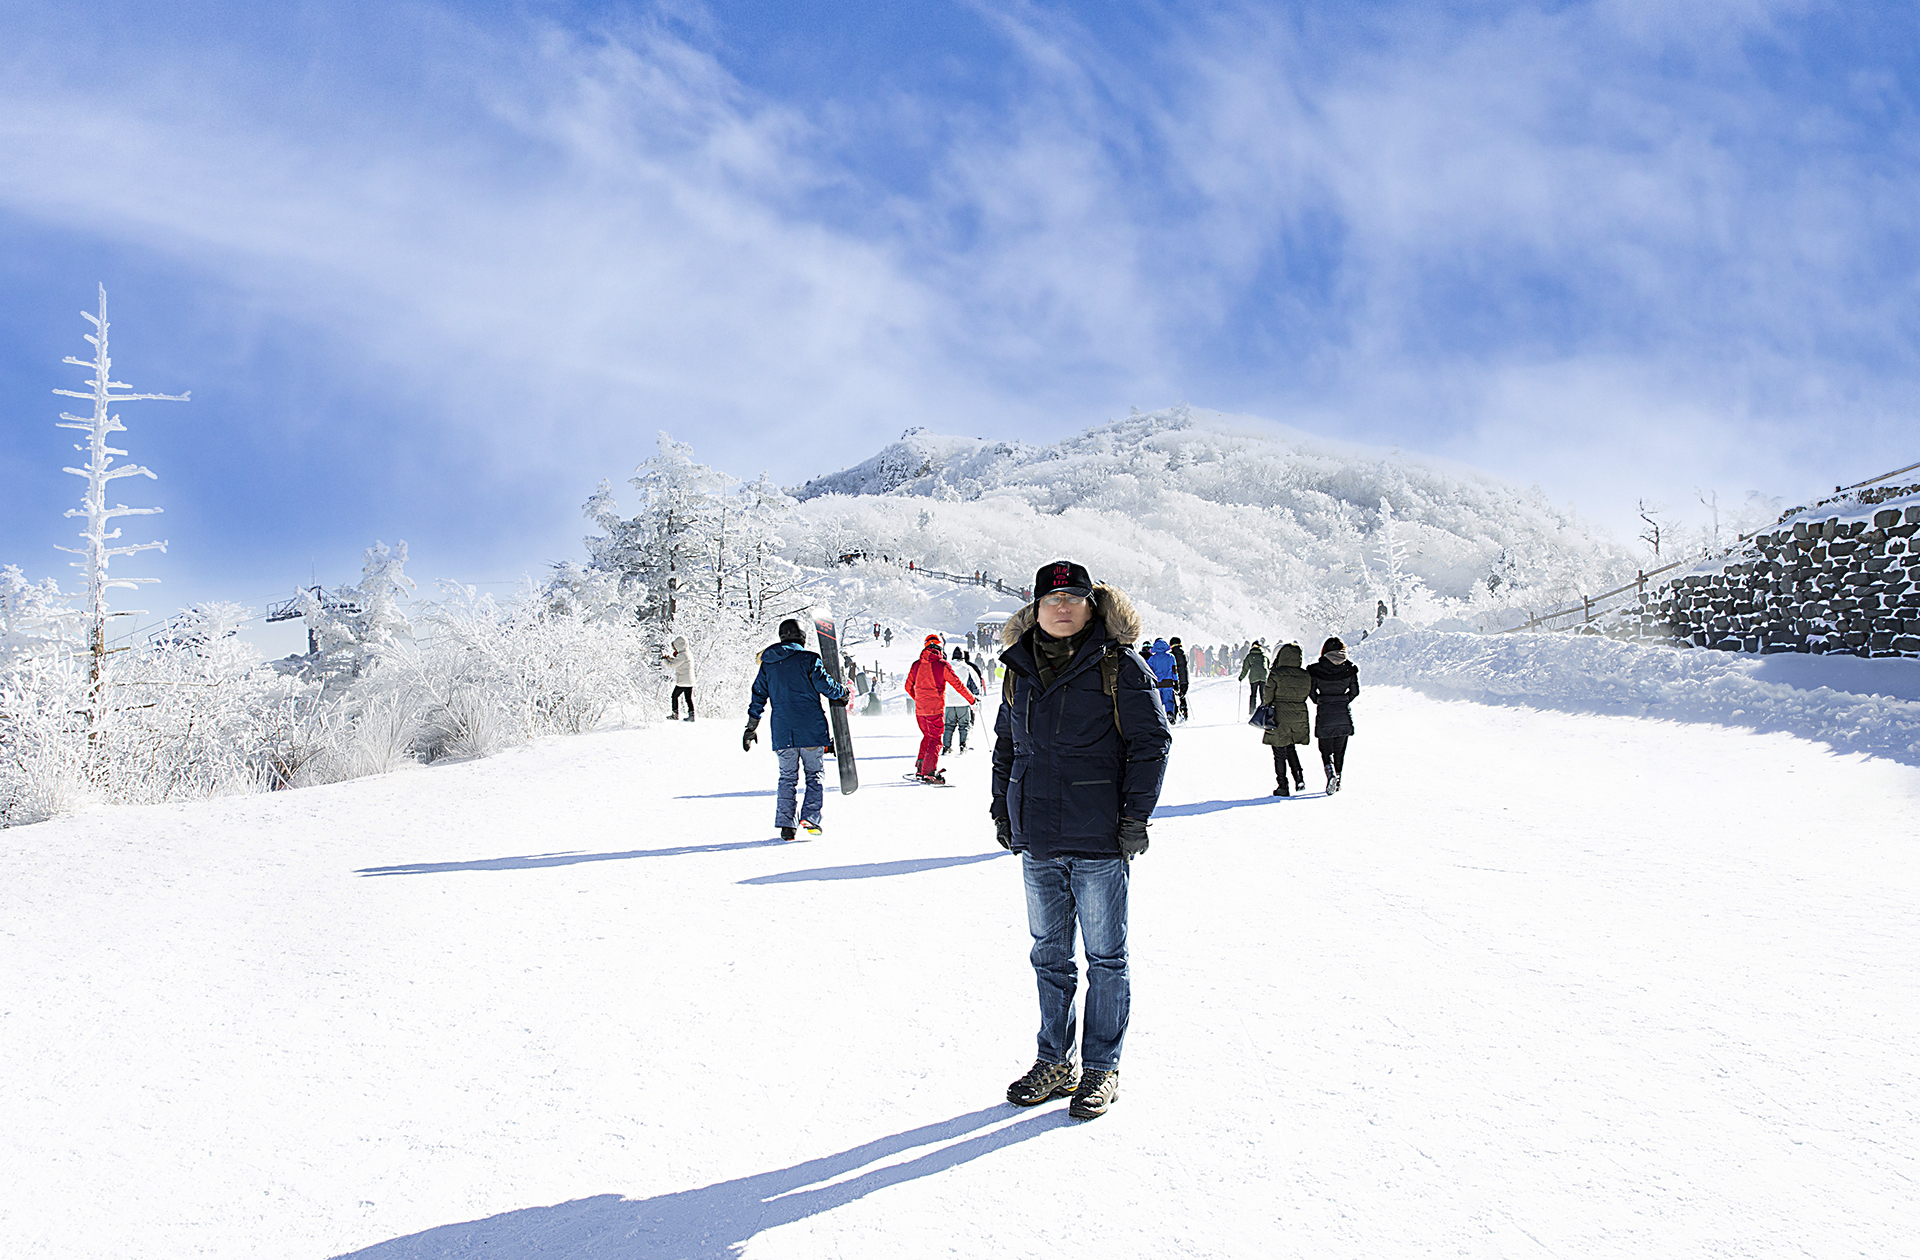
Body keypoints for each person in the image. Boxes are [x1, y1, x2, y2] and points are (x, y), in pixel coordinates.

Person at [992, 560, 1171, 1121]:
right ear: (1036, 608)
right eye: (1052, 599)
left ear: (1092, 605)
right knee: (1049, 957)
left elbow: (1151, 744)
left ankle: (1100, 1067)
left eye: (1074, 597)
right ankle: (1054, 1061)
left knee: (1105, 959)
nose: (1062, 607)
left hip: (1098, 837)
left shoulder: (1120, 665)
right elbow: (1005, 747)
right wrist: (1002, 810)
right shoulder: (1018, 668)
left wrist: (1134, 818)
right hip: (1038, 839)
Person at [743, 619, 849, 839]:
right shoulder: (809, 659)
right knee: (814, 774)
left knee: (787, 778)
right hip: (811, 729)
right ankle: (810, 817)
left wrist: (751, 727)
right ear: (802, 637)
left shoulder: (768, 664)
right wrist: (843, 692)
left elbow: (758, 697)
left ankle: (786, 825)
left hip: (783, 732)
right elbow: (826, 686)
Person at [905, 634, 975, 783]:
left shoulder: (916, 665)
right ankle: (928, 772)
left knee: (927, 737)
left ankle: (921, 769)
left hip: (920, 710)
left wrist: (919, 699)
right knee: (935, 740)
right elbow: (958, 685)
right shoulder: (942, 665)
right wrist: (972, 699)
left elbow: (908, 686)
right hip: (935, 710)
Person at [1307, 636, 1360, 793]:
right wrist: (1344, 700)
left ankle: (1330, 773)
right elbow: (1355, 691)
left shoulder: (1316, 669)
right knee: (1340, 750)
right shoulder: (1349, 669)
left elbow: (1311, 692)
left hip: (1325, 713)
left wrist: (1320, 700)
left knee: (1325, 748)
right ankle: (1338, 779)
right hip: (1343, 713)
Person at [1262, 643, 1311, 795]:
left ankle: (1283, 785)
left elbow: (1267, 696)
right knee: (1290, 747)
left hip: (1279, 715)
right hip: (1299, 714)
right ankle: (1299, 778)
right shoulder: (1305, 675)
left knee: (1279, 752)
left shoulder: (1276, 674)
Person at [943, 647, 984, 755]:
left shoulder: (946, 666)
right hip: (963, 702)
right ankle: (963, 746)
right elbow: (974, 684)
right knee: (964, 725)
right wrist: (977, 697)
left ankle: (946, 747)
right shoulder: (967, 668)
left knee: (948, 725)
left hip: (948, 702)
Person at [662, 635, 696, 721]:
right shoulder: (687, 653)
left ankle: (675, 714)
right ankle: (691, 715)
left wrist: (664, 660)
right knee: (688, 698)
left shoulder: (682, 655)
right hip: (690, 680)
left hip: (683, 681)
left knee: (674, 696)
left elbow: (672, 665)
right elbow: (678, 661)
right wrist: (669, 658)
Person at [1144, 637, 1179, 719]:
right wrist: (1176, 681)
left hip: (1157, 683)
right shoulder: (1171, 657)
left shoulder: (1152, 658)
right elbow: (1174, 670)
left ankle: (1158, 716)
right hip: (1168, 683)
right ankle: (1170, 712)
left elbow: (1150, 671)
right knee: (1168, 700)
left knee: (1158, 701)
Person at [1239, 639, 1269, 715]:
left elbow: (1245, 668)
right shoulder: (1264, 656)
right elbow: (1268, 667)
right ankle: (1264, 712)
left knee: (1253, 695)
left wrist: (1241, 677)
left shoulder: (1250, 656)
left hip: (1254, 678)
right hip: (1263, 677)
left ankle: (1252, 712)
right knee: (1263, 695)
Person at [1168, 636, 1190, 723]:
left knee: (1173, 698)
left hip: (1174, 679)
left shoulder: (1170, 656)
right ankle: (1184, 712)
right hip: (1184, 679)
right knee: (1182, 696)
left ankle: (1174, 714)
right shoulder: (1184, 654)